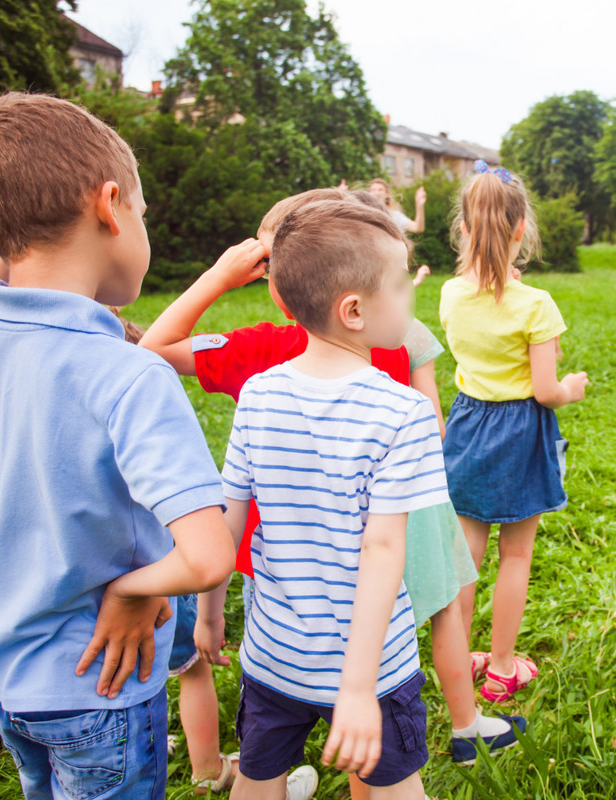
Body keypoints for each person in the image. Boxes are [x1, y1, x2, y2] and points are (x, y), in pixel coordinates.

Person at [142, 188, 524, 776]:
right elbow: (420, 453)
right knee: (444, 613)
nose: (408, 293)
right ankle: (466, 723)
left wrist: (219, 277)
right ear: (354, 298)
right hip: (397, 552)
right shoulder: (394, 334)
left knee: (261, 773)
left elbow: (154, 352)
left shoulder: (260, 368)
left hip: (281, 631)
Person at [0, 92, 236, 798]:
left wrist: (8, 254)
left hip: (3, 677)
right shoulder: (130, 375)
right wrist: (128, 590)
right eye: (143, 216)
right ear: (109, 204)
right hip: (102, 686)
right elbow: (209, 554)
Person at [205, 198, 443, 799]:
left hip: (271, 655)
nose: (411, 298)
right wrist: (358, 688)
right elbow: (385, 547)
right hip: (374, 669)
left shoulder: (257, 394)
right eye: (400, 284)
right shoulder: (404, 409)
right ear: (355, 310)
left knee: (257, 783)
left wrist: (208, 615)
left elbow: (226, 517)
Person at [440, 160, 589, 703]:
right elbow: (547, 390)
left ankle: (455, 660)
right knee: (516, 557)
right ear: (521, 228)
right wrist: (572, 386)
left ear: (463, 228)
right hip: (520, 430)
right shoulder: (536, 305)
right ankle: (502, 666)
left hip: (467, 424)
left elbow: (481, 303)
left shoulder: (451, 294)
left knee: (466, 558)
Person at [366, 179, 430, 287]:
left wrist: (419, 206)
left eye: (380, 189)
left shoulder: (395, 216)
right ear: (368, 194)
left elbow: (418, 227)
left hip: (390, 262)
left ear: (387, 194)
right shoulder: (363, 215)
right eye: (373, 190)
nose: (376, 192)